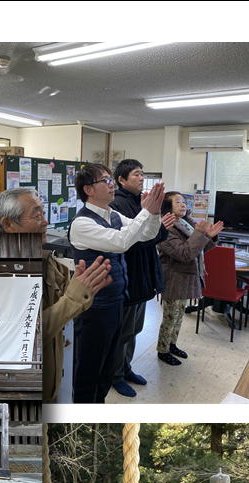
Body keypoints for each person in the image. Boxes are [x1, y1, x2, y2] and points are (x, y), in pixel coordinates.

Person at [0, 187, 112, 401]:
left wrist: (83, 290)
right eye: (36, 215)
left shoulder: (47, 262)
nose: (45, 222)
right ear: (8, 224)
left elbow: (59, 312)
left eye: (43, 213)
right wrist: (74, 299)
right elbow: (23, 335)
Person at [68, 164, 169, 403]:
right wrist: (145, 211)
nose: (111, 184)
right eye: (106, 181)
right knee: (88, 369)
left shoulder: (113, 215)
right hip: (93, 308)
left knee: (107, 365)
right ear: (89, 190)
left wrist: (153, 213)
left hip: (116, 303)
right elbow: (122, 241)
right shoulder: (82, 224)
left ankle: (99, 405)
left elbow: (145, 235)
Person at [108, 160, 172, 398]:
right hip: (130, 276)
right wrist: (153, 226)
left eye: (143, 174)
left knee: (134, 329)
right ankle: (114, 376)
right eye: (136, 174)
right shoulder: (118, 204)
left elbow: (155, 235)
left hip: (143, 276)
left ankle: (126, 369)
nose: (142, 178)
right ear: (121, 180)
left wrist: (159, 223)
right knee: (123, 331)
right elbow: (133, 242)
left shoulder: (139, 202)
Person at [156, 193, 222, 367]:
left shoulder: (187, 224)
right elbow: (184, 253)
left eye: (184, 202)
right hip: (173, 278)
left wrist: (210, 236)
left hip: (187, 276)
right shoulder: (165, 228)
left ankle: (172, 344)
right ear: (168, 206)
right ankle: (163, 351)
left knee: (178, 317)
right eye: (178, 202)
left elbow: (201, 248)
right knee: (170, 317)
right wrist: (201, 234)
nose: (183, 205)